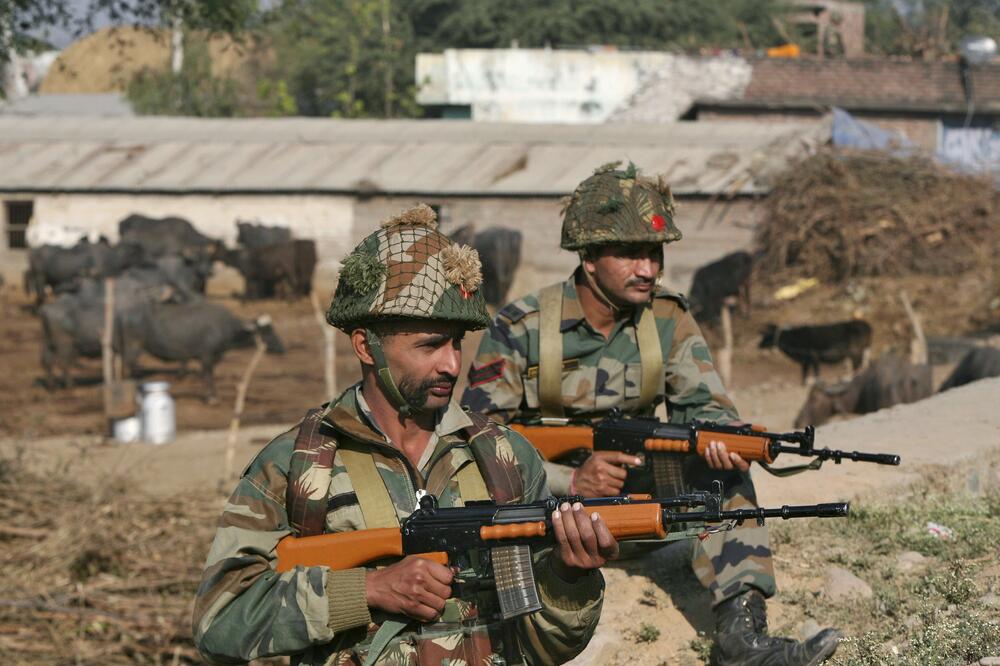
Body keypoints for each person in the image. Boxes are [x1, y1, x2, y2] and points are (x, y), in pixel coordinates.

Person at [193, 205, 617, 666]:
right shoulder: (296, 464)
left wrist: (568, 577)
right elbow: (220, 622)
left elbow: (545, 647)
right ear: (365, 345)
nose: (453, 365)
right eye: (430, 345)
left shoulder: (505, 458)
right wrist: (370, 589)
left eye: (456, 342)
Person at [460, 163, 841, 666]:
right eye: (630, 253)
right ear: (589, 257)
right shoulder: (520, 327)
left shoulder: (667, 317)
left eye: (654, 253)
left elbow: (705, 402)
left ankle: (742, 637)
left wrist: (720, 436)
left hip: (643, 507)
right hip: (551, 520)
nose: (648, 269)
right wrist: (568, 479)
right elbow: (476, 442)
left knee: (720, 471)